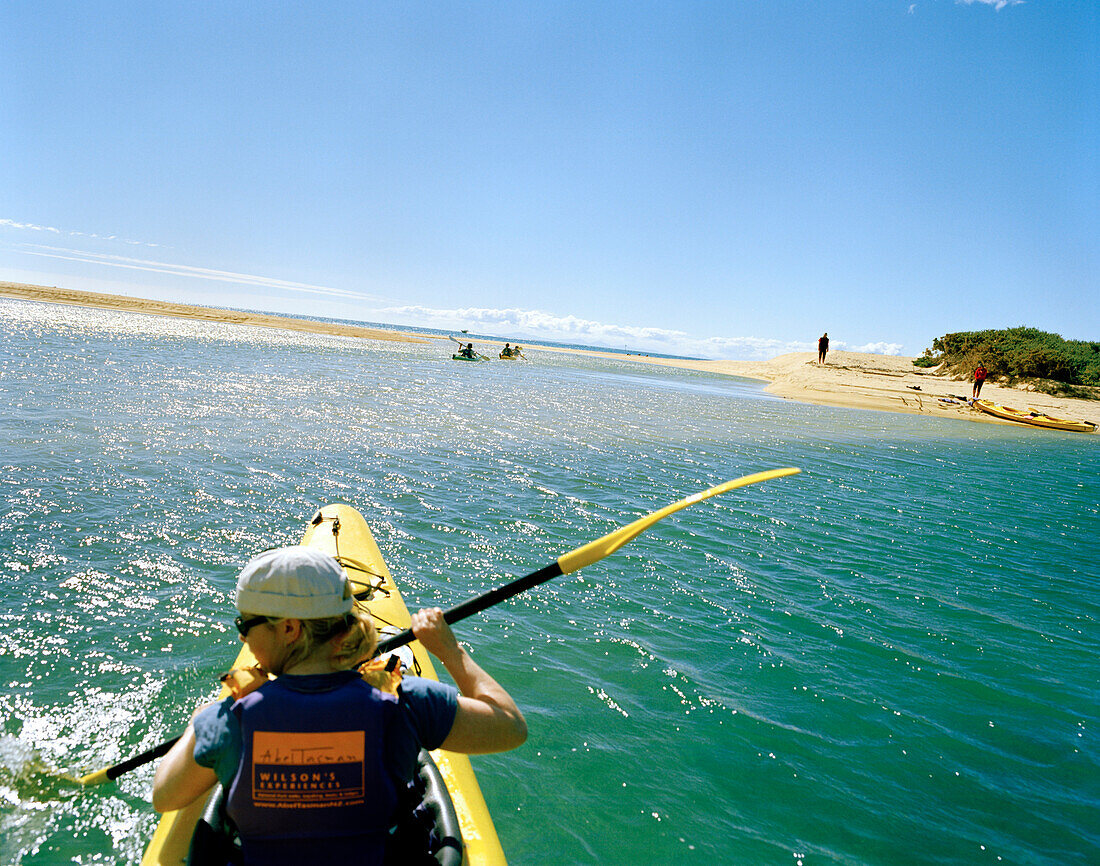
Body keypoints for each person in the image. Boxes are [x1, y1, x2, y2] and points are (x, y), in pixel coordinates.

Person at [151, 547, 526, 865]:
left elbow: (165, 796)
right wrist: (449, 649)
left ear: (289, 629)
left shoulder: (229, 719)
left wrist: (201, 722)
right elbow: (510, 727)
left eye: (246, 624)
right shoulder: (405, 698)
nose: (243, 635)